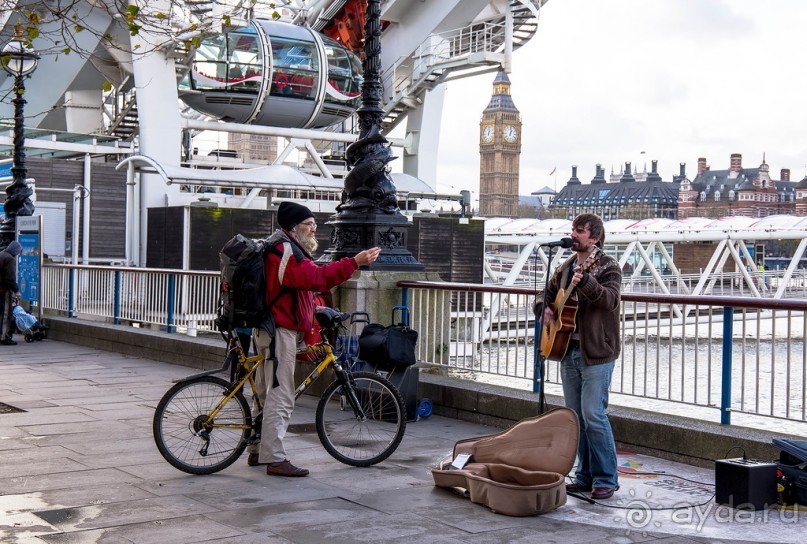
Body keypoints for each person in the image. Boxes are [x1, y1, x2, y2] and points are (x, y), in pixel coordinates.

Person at [246, 201, 380, 477]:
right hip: (277, 330)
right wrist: (354, 262)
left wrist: (314, 310)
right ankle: (275, 458)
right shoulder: (285, 250)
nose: (314, 229)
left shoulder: (284, 247)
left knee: (264, 393)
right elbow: (316, 279)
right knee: (281, 395)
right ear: (294, 227)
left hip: (272, 327)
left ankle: (258, 449)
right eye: (310, 225)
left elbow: (295, 289)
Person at [541, 214, 621, 500]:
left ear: (595, 237)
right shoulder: (564, 267)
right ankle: (584, 475)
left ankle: (607, 478)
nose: (573, 234)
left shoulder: (608, 266)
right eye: (573, 229)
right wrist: (545, 309)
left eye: (580, 231)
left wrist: (587, 282)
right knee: (576, 417)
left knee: (593, 414)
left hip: (597, 351)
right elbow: (545, 295)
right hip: (567, 350)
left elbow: (610, 300)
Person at [0, 240, 22, 346]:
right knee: (5, 314)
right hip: (3, 290)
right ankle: (4, 337)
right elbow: (10, 278)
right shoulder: (10, 259)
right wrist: (16, 290)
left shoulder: (1, 254)